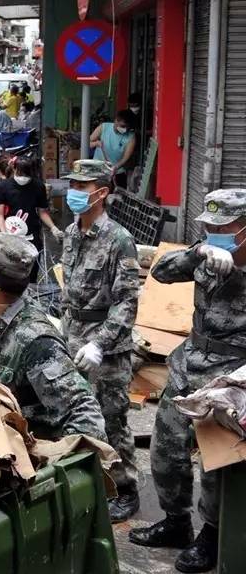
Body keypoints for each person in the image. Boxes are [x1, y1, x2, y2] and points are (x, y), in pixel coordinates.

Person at [129, 189, 246, 572]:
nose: (213, 232)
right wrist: (197, 252)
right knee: (166, 452)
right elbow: (161, 273)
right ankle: (176, 522)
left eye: (222, 226)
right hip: (187, 363)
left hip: (230, 377)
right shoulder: (207, 255)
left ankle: (211, 535)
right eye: (208, 226)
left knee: (215, 465)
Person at [0, 234, 107, 441]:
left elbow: (85, 415)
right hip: (0, 430)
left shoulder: (37, 342)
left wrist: (53, 462)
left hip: (28, 446)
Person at [58, 159, 141, 522]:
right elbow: (68, 288)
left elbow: (127, 301)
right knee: (76, 413)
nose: (74, 192)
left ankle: (127, 488)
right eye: (72, 185)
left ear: (101, 192)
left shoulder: (119, 240)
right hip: (73, 336)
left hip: (105, 348)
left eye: (82, 186)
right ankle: (92, 481)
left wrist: (100, 343)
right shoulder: (72, 232)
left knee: (112, 418)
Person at [0, 157, 63, 272]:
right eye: (20, 173)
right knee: (12, 272)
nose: (23, 178)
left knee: (32, 271)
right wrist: (5, 234)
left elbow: (42, 211)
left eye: (26, 174)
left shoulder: (38, 186)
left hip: (32, 236)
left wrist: (53, 228)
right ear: (14, 169)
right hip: (10, 236)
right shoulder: (4, 187)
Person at [90, 109, 137, 189]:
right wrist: (96, 143)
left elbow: (126, 157)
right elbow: (87, 142)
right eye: (122, 126)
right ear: (116, 121)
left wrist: (116, 167)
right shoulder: (104, 127)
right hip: (97, 170)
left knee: (117, 197)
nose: (124, 129)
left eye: (127, 127)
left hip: (117, 172)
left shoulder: (131, 137)